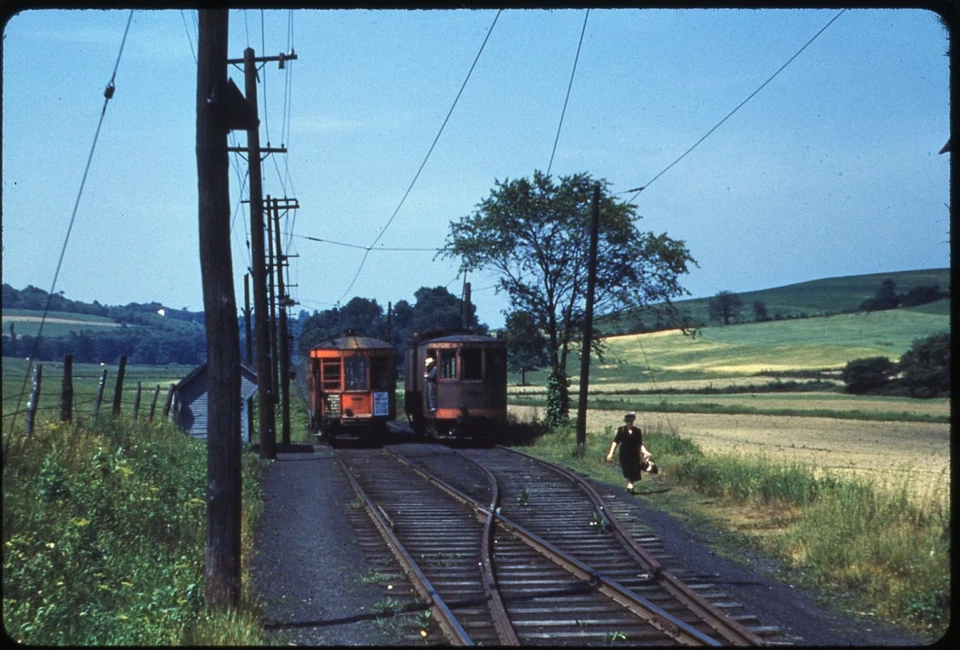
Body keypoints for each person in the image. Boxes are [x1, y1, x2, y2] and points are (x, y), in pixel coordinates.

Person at [605, 412, 655, 492]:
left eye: (631, 421)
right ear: (626, 422)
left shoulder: (637, 431)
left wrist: (645, 452)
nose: (630, 423)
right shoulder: (621, 430)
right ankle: (630, 485)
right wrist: (611, 453)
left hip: (634, 453)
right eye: (628, 421)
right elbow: (615, 442)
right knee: (627, 469)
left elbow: (640, 444)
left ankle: (630, 485)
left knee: (634, 470)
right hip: (624, 453)